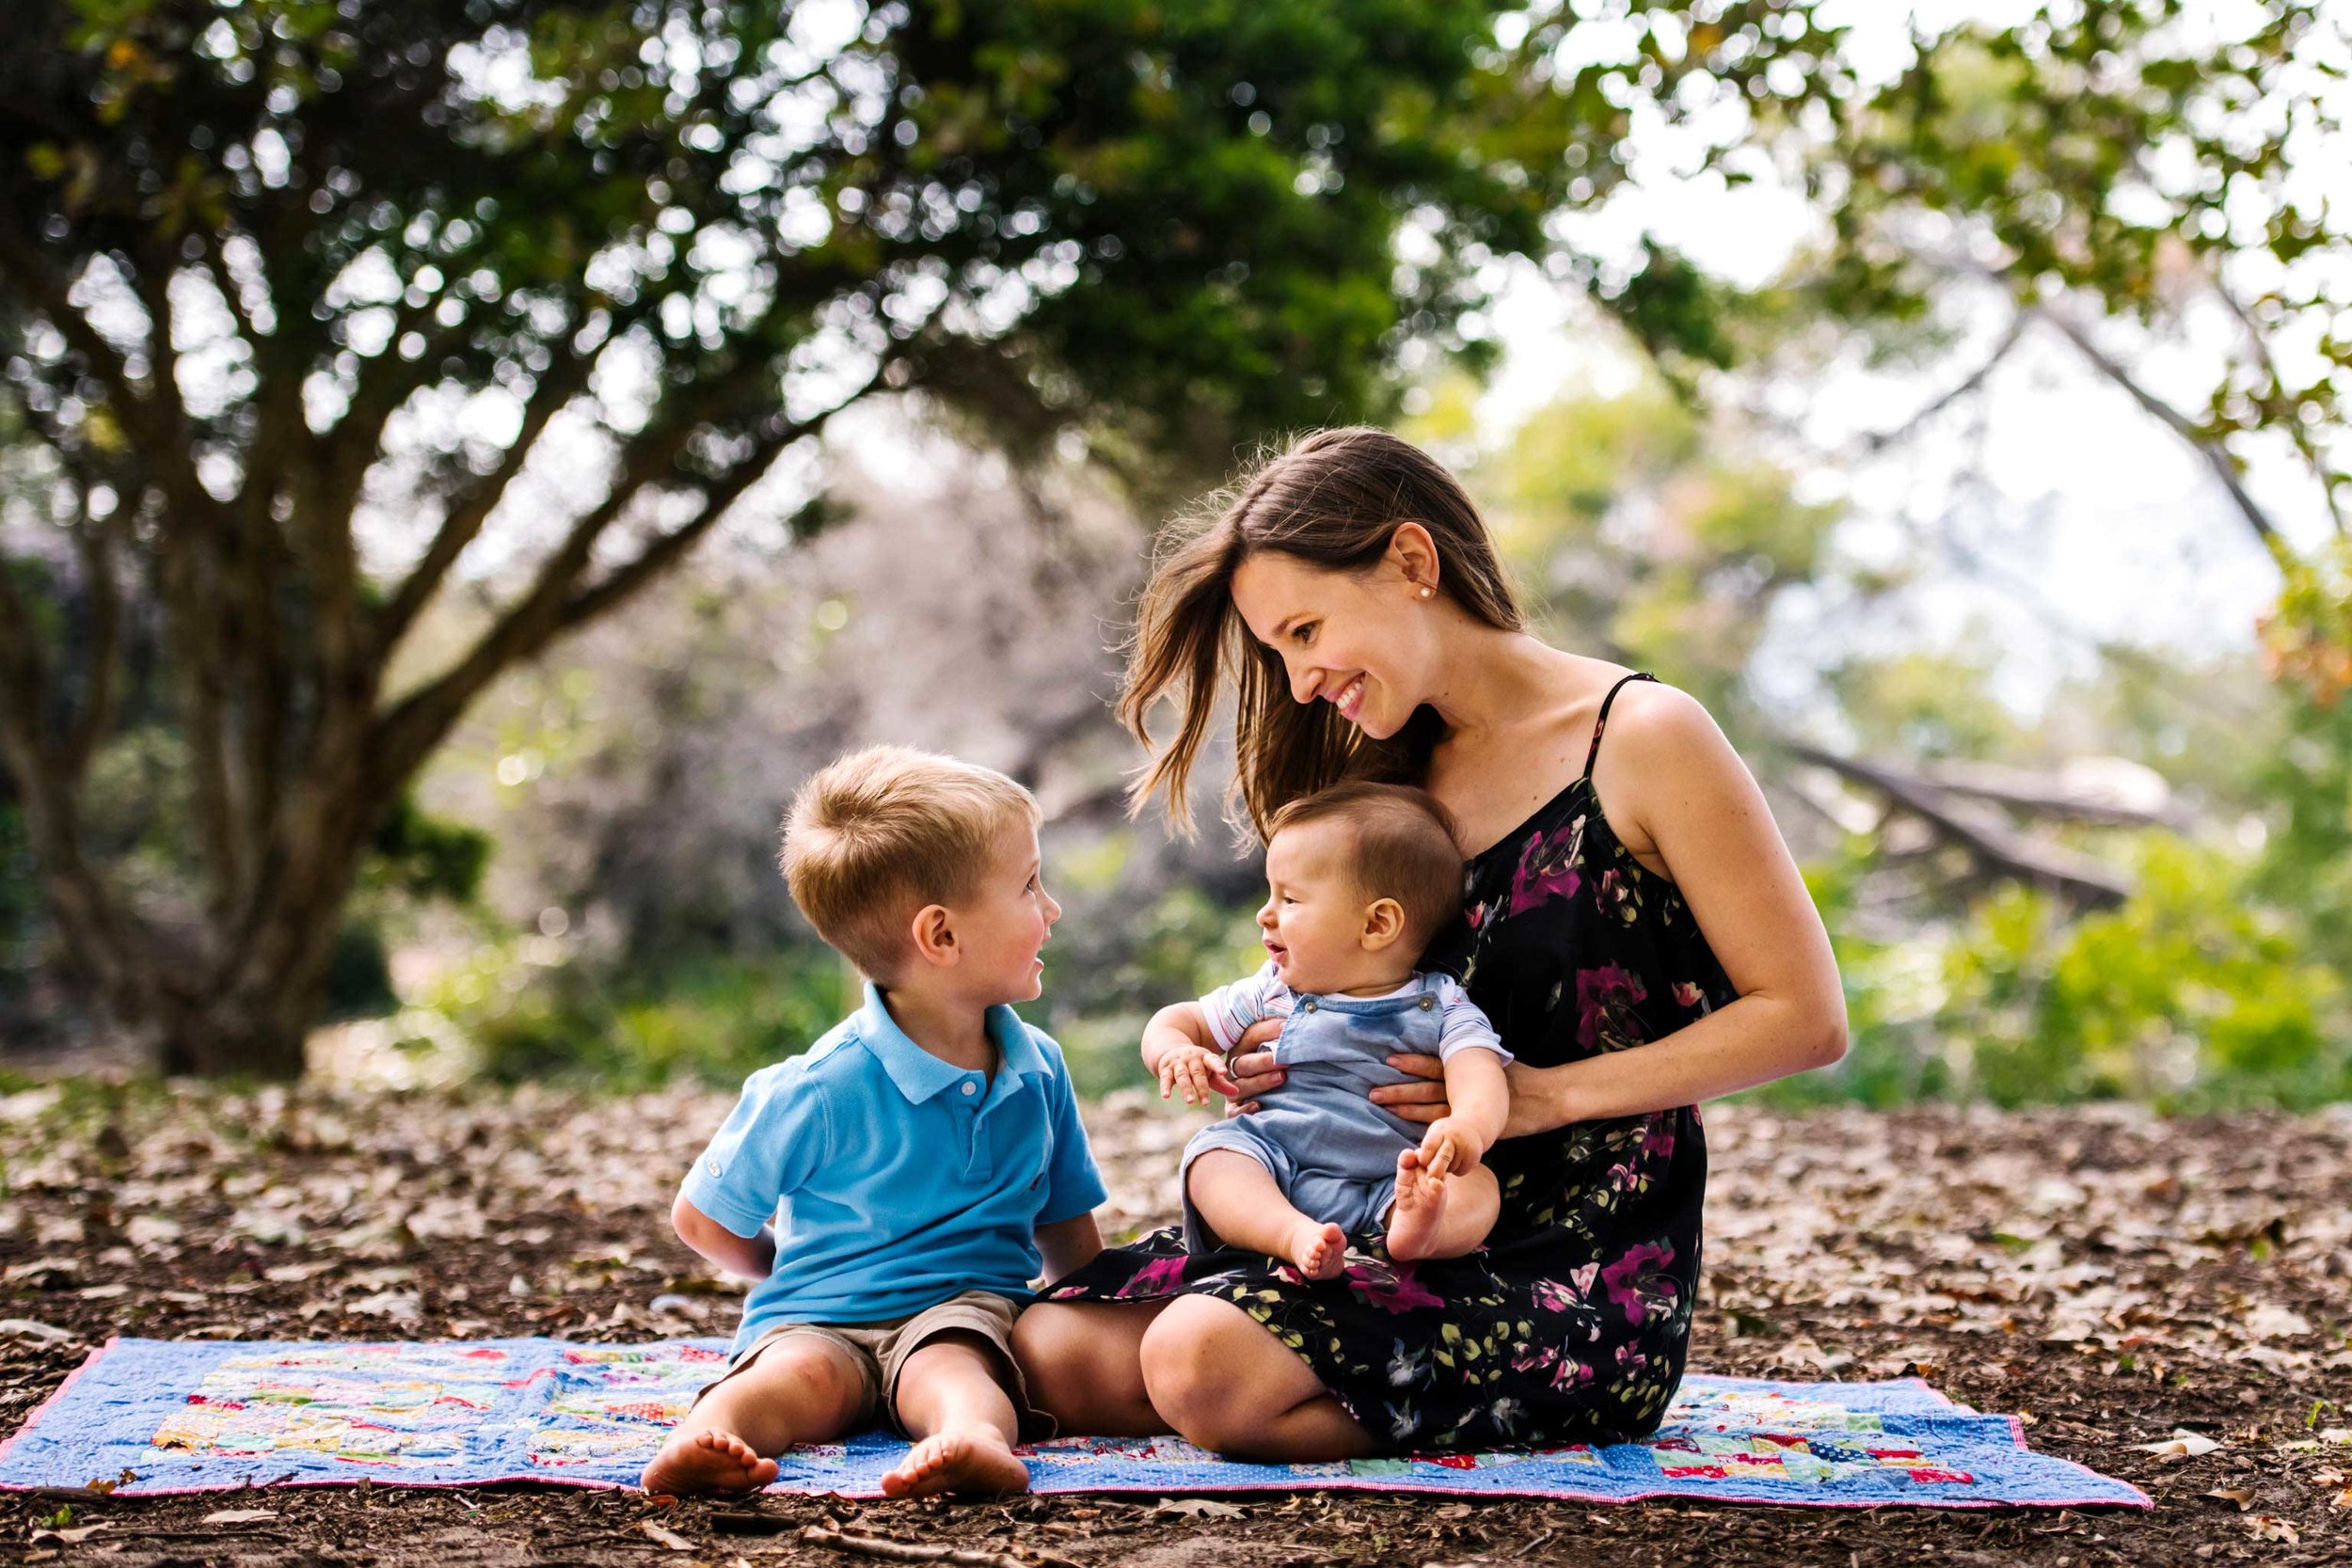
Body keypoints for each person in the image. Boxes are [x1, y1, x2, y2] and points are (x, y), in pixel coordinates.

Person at [1011, 426, 1847, 1463]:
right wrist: (1265, 1055)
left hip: (1563, 1253)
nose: (1303, 678)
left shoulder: (1642, 738)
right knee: (1046, 1348)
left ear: (1412, 562)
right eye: (1281, 650)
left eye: (1306, 629)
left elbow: (1804, 1018)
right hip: (1353, 1219)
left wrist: (1543, 1093)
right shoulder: (1387, 776)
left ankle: (1273, 1392)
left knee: (1197, 1361)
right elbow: (1333, 986)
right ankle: (1285, 1380)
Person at [641, 746, 1105, 1499]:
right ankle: (701, 1438)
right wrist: (777, 1267)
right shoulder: (821, 1087)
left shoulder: (1038, 1068)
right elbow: (701, 1216)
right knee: (796, 1377)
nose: (1050, 907)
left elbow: (1067, 1230)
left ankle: (969, 1441)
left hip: (960, 1311)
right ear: (941, 936)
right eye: (1028, 886)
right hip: (817, 1318)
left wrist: (1100, 1322)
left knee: (954, 1368)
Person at [1146, 781, 1509, 1276]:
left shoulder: (1442, 1002)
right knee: (1214, 1157)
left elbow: (1479, 1073)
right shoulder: (1270, 989)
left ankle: (1416, 1226)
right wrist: (1174, 1051)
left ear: (1377, 924)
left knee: (1478, 1188)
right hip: (1276, 1159)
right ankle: (1289, 1233)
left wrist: (1467, 1126)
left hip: (1393, 1173)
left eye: (1290, 899)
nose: (1264, 913)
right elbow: (1177, 1020)